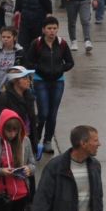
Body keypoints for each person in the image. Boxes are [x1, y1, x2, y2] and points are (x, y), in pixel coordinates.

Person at [21, 19, 74, 159]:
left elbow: (70, 62)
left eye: (54, 28)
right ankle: (35, 135)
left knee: (53, 113)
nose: (52, 31)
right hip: (40, 81)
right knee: (43, 112)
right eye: (49, 28)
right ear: (44, 29)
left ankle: (48, 140)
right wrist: (39, 69)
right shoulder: (37, 43)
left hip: (58, 82)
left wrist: (60, 69)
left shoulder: (62, 44)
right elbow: (28, 61)